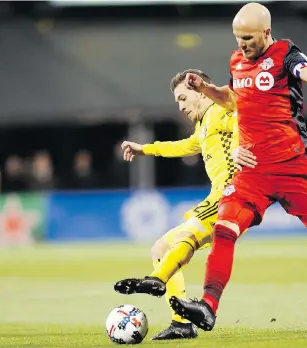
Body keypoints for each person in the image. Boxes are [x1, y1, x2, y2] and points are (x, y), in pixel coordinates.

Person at [169, 2, 307, 333]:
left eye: (248, 38)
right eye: (237, 38)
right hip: (253, 172)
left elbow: (303, 69)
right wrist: (206, 89)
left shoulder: (284, 53)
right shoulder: (237, 61)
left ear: (266, 33)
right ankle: (208, 307)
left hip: (293, 169)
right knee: (224, 229)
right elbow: (233, 98)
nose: (242, 44)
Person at [114, 69, 239, 340]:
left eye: (183, 98)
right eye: (177, 101)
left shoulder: (221, 111)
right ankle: (181, 323)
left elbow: (244, 119)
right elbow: (182, 147)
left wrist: (245, 147)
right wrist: (144, 149)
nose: (180, 106)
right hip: (220, 196)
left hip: (232, 194)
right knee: (160, 247)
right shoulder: (204, 124)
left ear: (199, 90)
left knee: (182, 237)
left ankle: (156, 279)